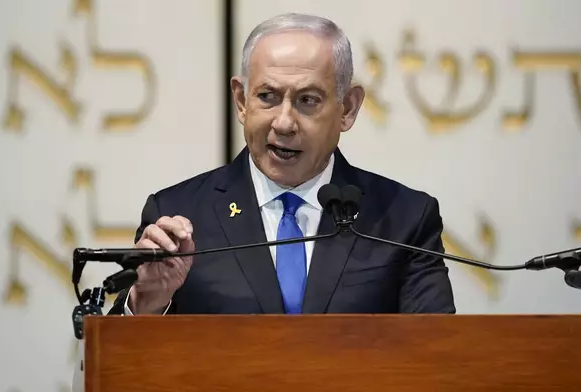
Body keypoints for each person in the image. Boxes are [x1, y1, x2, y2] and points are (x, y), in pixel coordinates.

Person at [108, 12, 455, 316]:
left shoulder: (404, 221)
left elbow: (435, 359)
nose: (284, 123)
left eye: (307, 100)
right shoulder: (177, 218)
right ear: (242, 101)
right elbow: (123, 366)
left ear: (347, 108)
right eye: (267, 97)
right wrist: (148, 302)